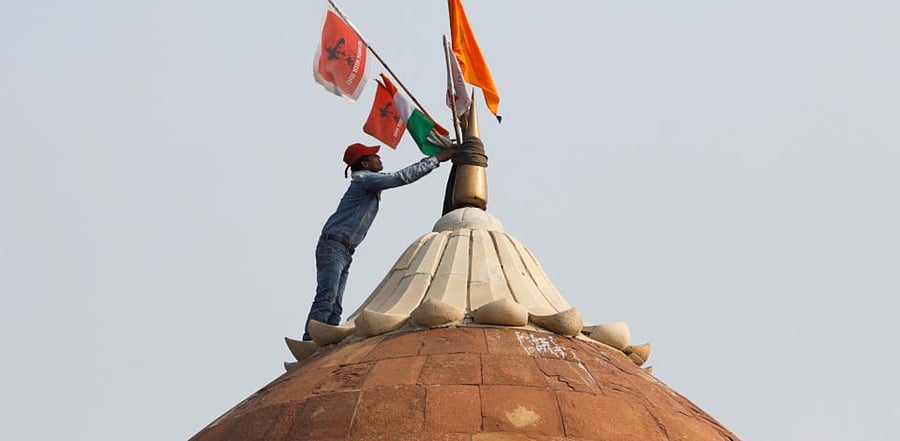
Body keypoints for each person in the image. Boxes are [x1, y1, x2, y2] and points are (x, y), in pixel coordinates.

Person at [302, 142, 454, 341]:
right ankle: (311, 341)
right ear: (365, 163)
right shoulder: (365, 180)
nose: (379, 158)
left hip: (343, 249)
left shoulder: (367, 180)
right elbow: (400, 178)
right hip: (334, 246)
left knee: (335, 303)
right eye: (374, 156)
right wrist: (437, 159)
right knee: (327, 297)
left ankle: (324, 341)